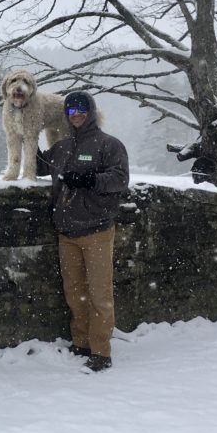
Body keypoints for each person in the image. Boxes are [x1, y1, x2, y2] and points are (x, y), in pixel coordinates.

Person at [42, 91, 129, 373]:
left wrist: (90, 179)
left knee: (99, 294)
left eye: (81, 109)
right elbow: (44, 166)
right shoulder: (62, 145)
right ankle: (80, 343)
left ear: (90, 111)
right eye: (70, 110)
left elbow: (120, 178)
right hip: (67, 231)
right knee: (74, 292)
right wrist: (25, 134)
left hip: (97, 230)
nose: (76, 114)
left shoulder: (109, 144)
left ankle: (101, 352)